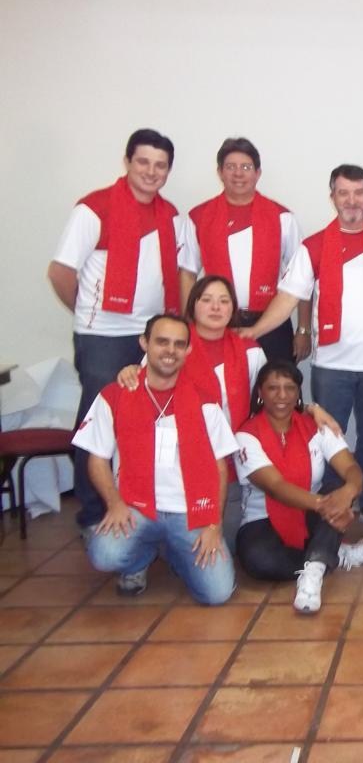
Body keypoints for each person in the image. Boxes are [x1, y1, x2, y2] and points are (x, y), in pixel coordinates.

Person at [116, 276, 339, 549]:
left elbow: (273, 397)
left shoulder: (250, 350)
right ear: (193, 304)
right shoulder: (175, 346)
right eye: (207, 300)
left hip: (231, 465)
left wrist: (311, 408)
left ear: (233, 308)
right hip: (178, 463)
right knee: (182, 543)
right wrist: (130, 371)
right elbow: (144, 387)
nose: (215, 307)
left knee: (225, 547)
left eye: (223, 301)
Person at [239, 164, 363, 521]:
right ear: (332, 197)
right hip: (331, 365)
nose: (352, 200)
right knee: (329, 437)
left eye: (359, 193)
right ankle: (333, 504)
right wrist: (253, 332)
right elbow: (288, 297)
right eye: (343, 193)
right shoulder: (314, 247)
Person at [48, 128, 183, 534]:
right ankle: (93, 514)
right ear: (127, 162)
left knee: (144, 422)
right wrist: (87, 314)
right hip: (102, 337)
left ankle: (140, 505)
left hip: (151, 336)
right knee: (98, 423)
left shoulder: (170, 215)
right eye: (143, 162)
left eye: (160, 165)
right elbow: (60, 272)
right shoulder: (95, 208)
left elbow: (179, 272)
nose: (151, 172)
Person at [72, 314, 237, 603]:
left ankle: (175, 553)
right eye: (162, 342)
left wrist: (214, 524)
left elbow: (219, 468)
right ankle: (139, 560)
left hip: (190, 511)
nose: (170, 351)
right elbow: (96, 460)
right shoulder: (115, 395)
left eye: (179, 344)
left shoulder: (205, 402)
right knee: (103, 554)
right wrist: (114, 503)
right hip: (136, 507)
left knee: (217, 594)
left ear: (188, 350)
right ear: (144, 343)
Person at [235, 361, 363, 613]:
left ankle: (313, 571)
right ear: (260, 392)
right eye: (273, 388)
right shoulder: (246, 435)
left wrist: (348, 493)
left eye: (289, 388)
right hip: (262, 518)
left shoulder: (317, 426)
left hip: (311, 514)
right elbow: (276, 487)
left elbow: (351, 468)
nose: (282, 395)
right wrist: (327, 506)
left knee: (337, 486)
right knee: (260, 563)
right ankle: (332, 555)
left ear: (298, 392)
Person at [178, 137, 310, 363]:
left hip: (272, 324)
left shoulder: (282, 218)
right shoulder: (199, 217)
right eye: (231, 167)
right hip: (217, 322)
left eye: (246, 167)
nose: (238, 173)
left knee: (276, 385)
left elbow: (302, 279)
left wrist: (303, 329)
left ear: (258, 173)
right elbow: (187, 273)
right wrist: (189, 324)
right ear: (220, 172)